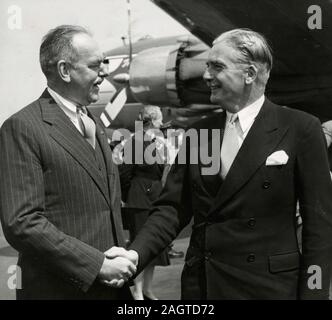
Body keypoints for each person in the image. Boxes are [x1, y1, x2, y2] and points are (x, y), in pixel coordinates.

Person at [107, 28, 332, 299]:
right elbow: (172, 209)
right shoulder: (201, 133)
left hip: (269, 288)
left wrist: (314, 294)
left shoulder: (299, 128)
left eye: (217, 67)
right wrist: (134, 254)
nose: (205, 76)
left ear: (249, 74)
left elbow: (320, 226)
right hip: (204, 286)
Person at [0, 25, 136, 299]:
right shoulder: (23, 127)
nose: (105, 73)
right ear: (65, 70)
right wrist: (97, 265)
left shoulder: (92, 122)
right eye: (96, 65)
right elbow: (22, 222)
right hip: (61, 290)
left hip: (111, 289)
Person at [119, 106, 170, 300]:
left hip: (155, 198)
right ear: (154, 120)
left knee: (155, 248)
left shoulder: (160, 141)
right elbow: (125, 172)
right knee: (140, 248)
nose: (162, 122)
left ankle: (147, 289)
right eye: (160, 119)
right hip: (139, 200)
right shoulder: (135, 141)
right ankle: (138, 292)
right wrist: (129, 195)